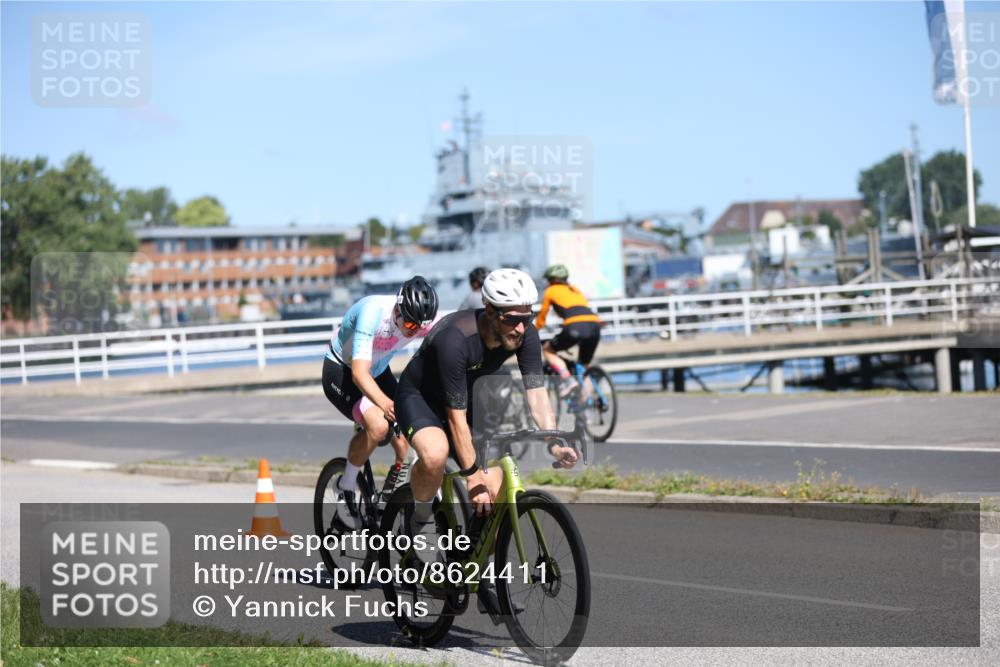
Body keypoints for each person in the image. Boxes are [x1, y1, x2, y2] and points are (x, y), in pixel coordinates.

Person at [394, 268, 579, 619]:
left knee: (494, 492)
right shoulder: (455, 338)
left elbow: (537, 395)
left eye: (526, 318)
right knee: (436, 454)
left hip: (471, 397)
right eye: (513, 319)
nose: (521, 328)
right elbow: (454, 419)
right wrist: (471, 474)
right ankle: (416, 524)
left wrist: (554, 441)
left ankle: (478, 575)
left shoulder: (524, 334)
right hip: (422, 398)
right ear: (490, 311)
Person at [322, 276, 439, 529]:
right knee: (378, 426)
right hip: (342, 370)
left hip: (378, 370)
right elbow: (359, 374)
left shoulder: (420, 323)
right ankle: (345, 487)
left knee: (407, 434)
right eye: (409, 323)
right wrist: (386, 405)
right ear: (398, 307)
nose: (412, 331)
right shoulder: (372, 312)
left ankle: (390, 494)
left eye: (419, 328)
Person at [535, 264, 602, 397]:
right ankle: (586, 409)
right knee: (584, 367)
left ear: (552, 280)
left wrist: (533, 330)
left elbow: (542, 315)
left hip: (575, 327)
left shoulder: (551, 290)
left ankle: (567, 380)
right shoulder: (575, 289)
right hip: (595, 325)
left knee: (548, 349)